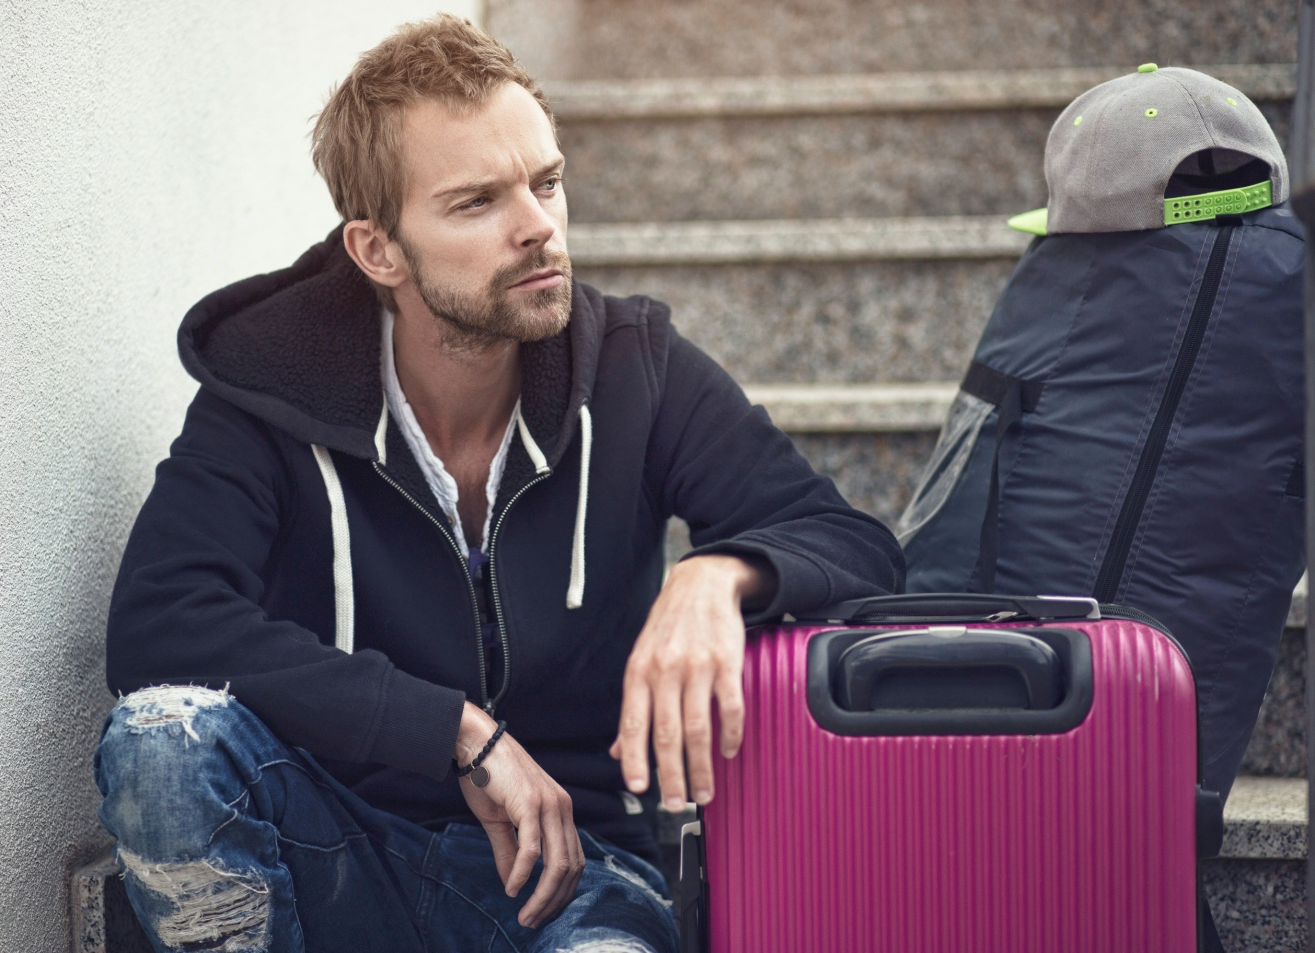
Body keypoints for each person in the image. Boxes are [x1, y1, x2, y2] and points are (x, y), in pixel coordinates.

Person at [95, 14, 903, 953]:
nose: (537, 227)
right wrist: (453, 730)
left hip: (576, 883)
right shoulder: (269, 391)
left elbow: (856, 545)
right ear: (378, 251)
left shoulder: (633, 368)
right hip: (342, 848)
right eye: (477, 202)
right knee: (164, 742)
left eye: (547, 182)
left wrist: (718, 575)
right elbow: (162, 622)